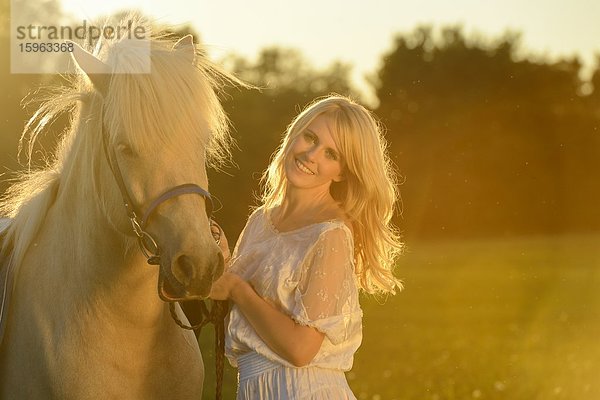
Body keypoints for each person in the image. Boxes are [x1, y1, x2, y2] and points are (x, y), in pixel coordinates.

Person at [209, 95, 403, 399]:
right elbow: (242, 306)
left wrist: (236, 288)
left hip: (300, 390)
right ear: (294, 134)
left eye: (331, 154)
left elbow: (300, 350)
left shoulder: (331, 234)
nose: (312, 155)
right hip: (254, 388)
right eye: (310, 137)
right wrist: (221, 263)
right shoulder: (262, 218)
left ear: (341, 172)